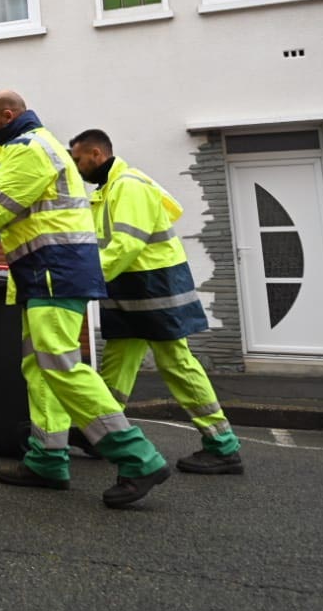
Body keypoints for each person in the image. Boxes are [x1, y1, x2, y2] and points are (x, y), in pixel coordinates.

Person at [0, 90, 170, 507]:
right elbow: (18, 213)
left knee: (61, 366)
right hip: (44, 275)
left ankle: (138, 457)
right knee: (40, 367)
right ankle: (47, 458)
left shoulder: (29, 148)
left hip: (54, 273)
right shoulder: (40, 148)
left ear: (8, 116)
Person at [68, 129, 244, 475]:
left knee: (176, 362)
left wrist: (82, 279)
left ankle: (223, 446)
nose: (76, 167)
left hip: (154, 284)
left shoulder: (129, 186)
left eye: (77, 159)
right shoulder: (108, 191)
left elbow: (127, 244)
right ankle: (104, 432)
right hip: (129, 285)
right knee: (117, 363)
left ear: (96, 155)